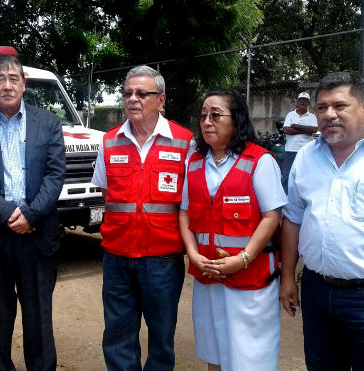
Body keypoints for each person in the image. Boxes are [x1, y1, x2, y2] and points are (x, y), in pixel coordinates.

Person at [280, 72, 364, 371]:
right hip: (316, 292)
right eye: (321, 107)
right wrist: (287, 276)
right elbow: (292, 220)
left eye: (340, 106)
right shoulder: (305, 157)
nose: (329, 114)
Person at [0, 54, 66, 371]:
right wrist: (8, 214)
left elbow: (55, 175)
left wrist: (31, 216)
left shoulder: (48, 123)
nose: (7, 85)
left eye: (13, 78)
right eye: (0, 79)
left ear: (23, 83)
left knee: (38, 321)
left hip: (36, 236)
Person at [91, 65, 192, 371]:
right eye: (128, 93)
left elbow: (190, 204)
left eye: (142, 93)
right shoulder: (109, 141)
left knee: (161, 337)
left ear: (160, 101)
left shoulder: (185, 142)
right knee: (118, 335)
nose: (132, 99)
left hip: (162, 260)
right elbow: (106, 193)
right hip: (117, 257)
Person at [179, 90, 287, 371]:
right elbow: (184, 212)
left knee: (250, 357)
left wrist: (243, 259)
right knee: (213, 350)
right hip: (208, 277)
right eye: (203, 116)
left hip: (249, 279)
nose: (207, 122)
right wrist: (192, 253)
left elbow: (272, 216)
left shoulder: (260, 161)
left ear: (236, 119)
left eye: (215, 115)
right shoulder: (195, 162)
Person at [281, 92, 317, 191]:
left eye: (305, 100)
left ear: (308, 103)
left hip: (306, 151)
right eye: (301, 100)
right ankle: (284, 199)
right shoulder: (290, 114)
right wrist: (305, 130)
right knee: (287, 175)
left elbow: (314, 130)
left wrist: (296, 126)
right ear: (297, 102)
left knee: (305, 176)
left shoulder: (312, 116)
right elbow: (286, 130)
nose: (302, 102)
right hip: (291, 150)